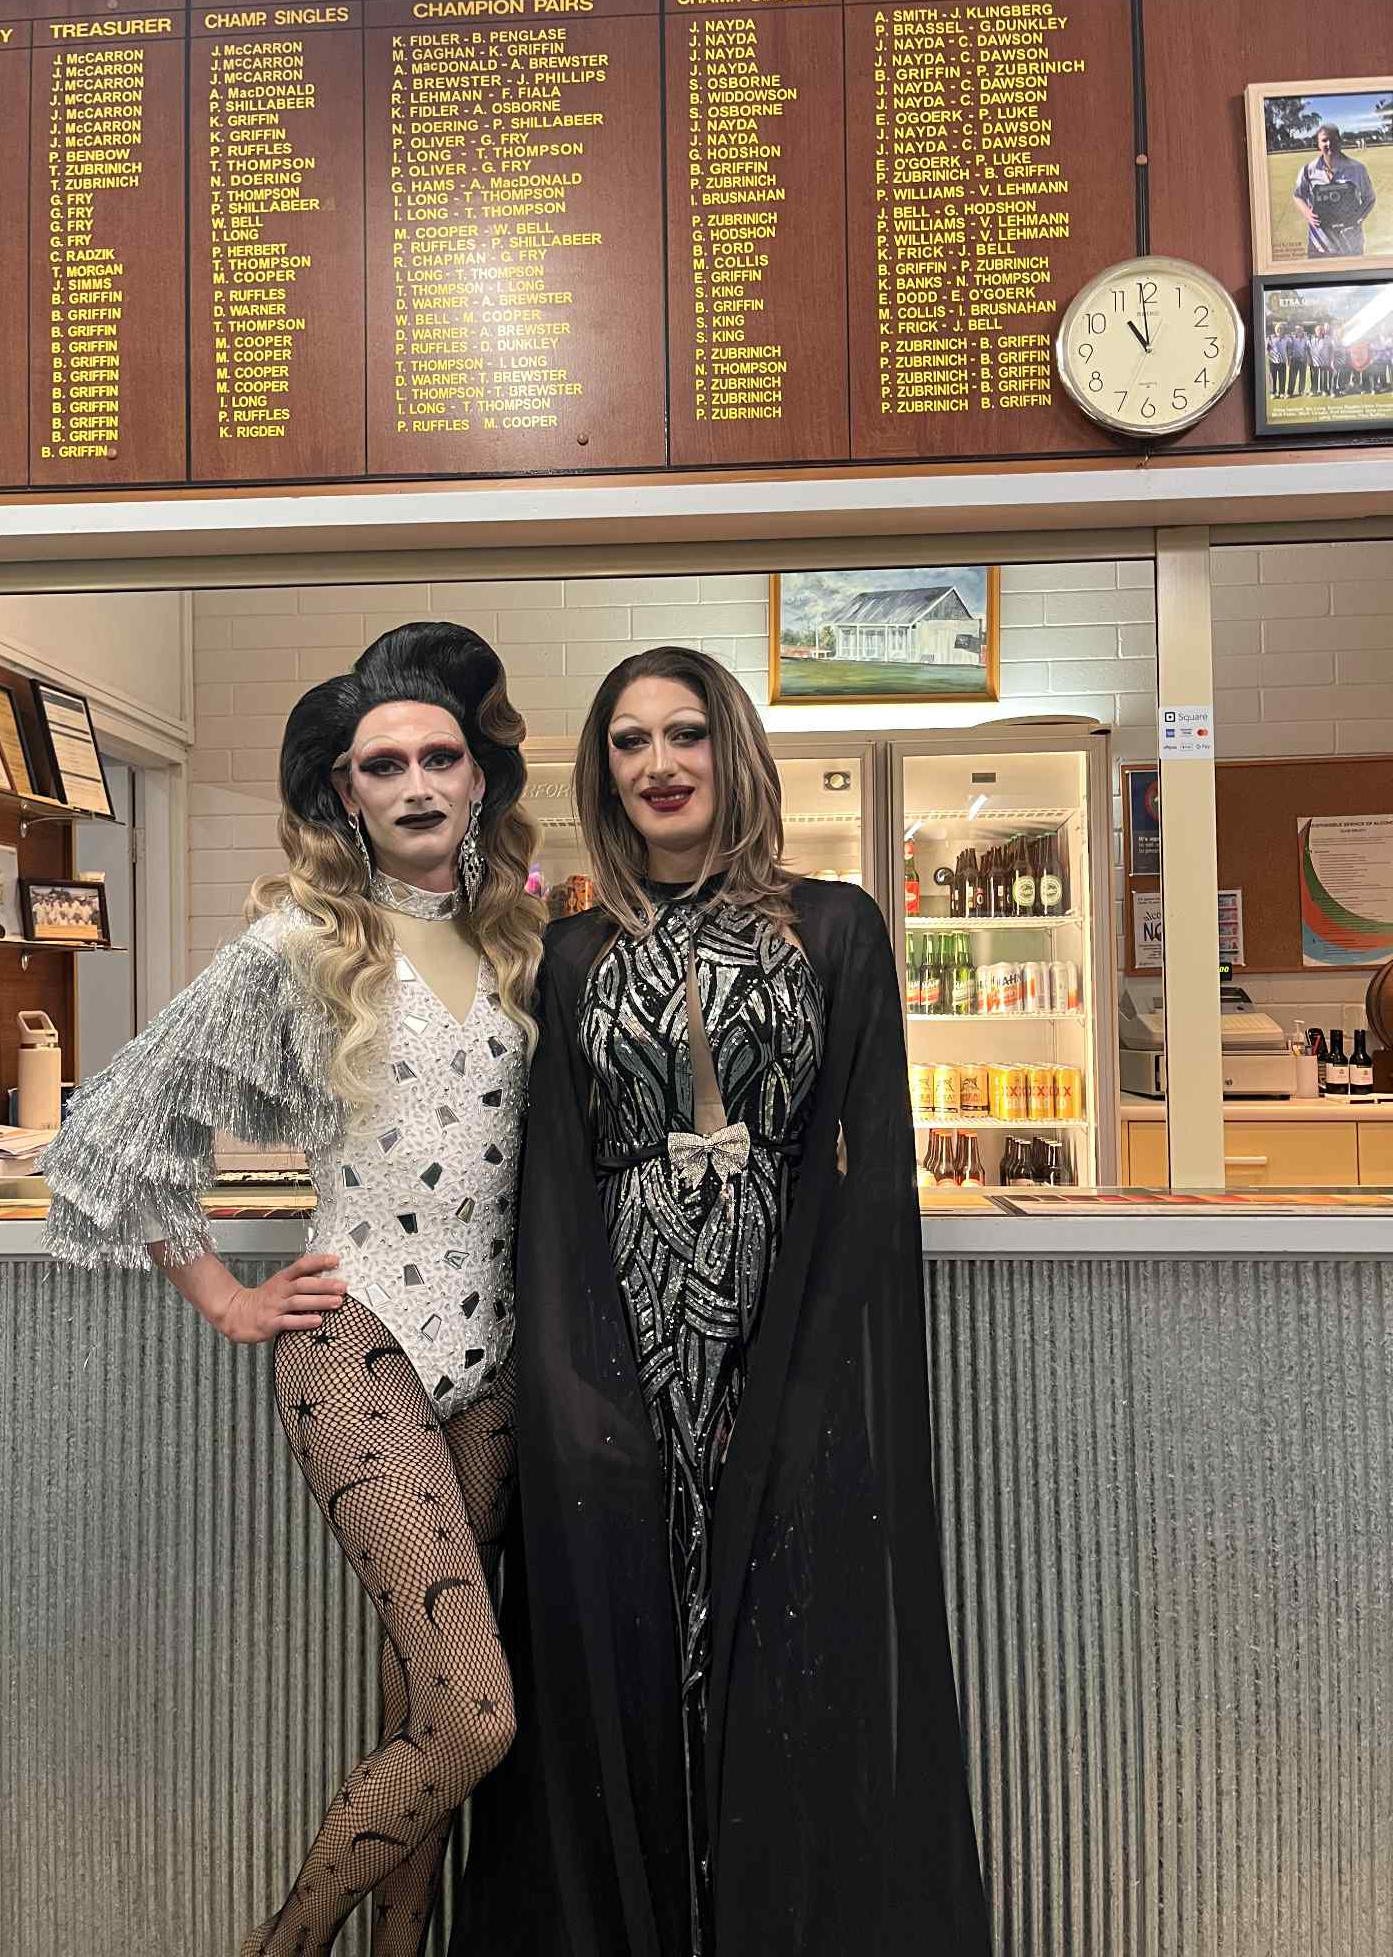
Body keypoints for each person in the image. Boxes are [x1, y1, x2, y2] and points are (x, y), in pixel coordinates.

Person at [455, 647, 990, 1957]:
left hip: (786, 1345)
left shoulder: (834, 927)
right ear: (604, 774)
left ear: (732, 751)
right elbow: (545, 1188)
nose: (659, 764)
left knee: (790, 1666)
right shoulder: (569, 953)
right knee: (632, 1670)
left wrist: (826, 1380)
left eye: (684, 733)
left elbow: (870, 1178)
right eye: (629, 741)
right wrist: (573, 1389)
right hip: (620, 1357)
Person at [42, 622, 545, 1957]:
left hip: (497, 1358)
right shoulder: (299, 942)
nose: (419, 783)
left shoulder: (519, 937)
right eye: (385, 765)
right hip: (357, 1339)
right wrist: (222, 1294)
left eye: (441, 756)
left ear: (480, 778)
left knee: (425, 1707)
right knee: (477, 1716)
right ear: (344, 792)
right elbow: (117, 1126)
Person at [1292, 123, 1377, 258]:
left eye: (1333, 139)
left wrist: (1358, 216)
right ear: (1318, 144)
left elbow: (1370, 198)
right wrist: (1307, 213)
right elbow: (1298, 195)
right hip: (1319, 245)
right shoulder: (1307, 170)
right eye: (1324, 140)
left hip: (1351, 244)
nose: (1329, 144)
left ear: (1340, 141)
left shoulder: (1357, 169)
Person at [1266, 321, 1287, 398]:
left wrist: (1289, 359)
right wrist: (1270, 355)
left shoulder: (1286, 338)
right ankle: (1273, 393)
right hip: (1273, 362)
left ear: (1283, 330)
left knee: (1282, 378)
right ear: (1275, 329)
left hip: (1282, 361)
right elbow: (1267, 349)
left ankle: (1282, 393)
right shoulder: (1270, 338)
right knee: (1272, 378)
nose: (1279, 330)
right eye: (1278, 329)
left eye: (1281, 329)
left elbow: (1289, 348)